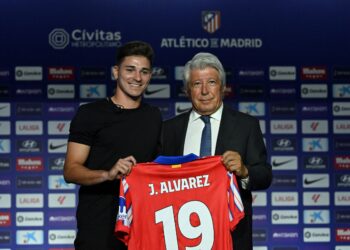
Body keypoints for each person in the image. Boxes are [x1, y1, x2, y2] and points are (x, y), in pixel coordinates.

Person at [160, 52, 272, 250]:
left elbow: (264, 175)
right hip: (180, 236)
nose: (205, 91)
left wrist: (245, 171)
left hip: (232, 235)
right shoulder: (170, 129)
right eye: (196, 84)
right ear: (187, 90)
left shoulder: (246, 125)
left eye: (211, 82)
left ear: (223, 87)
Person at [63, 41, 162, 250]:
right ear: (115, 72)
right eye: (130, 70)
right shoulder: (90, 114)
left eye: (144, 71)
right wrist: (107, 174)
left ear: (150, 76)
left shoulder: (154, 117)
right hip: (98, 227)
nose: (137, 77)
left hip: (142, 227)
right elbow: (71, 170)